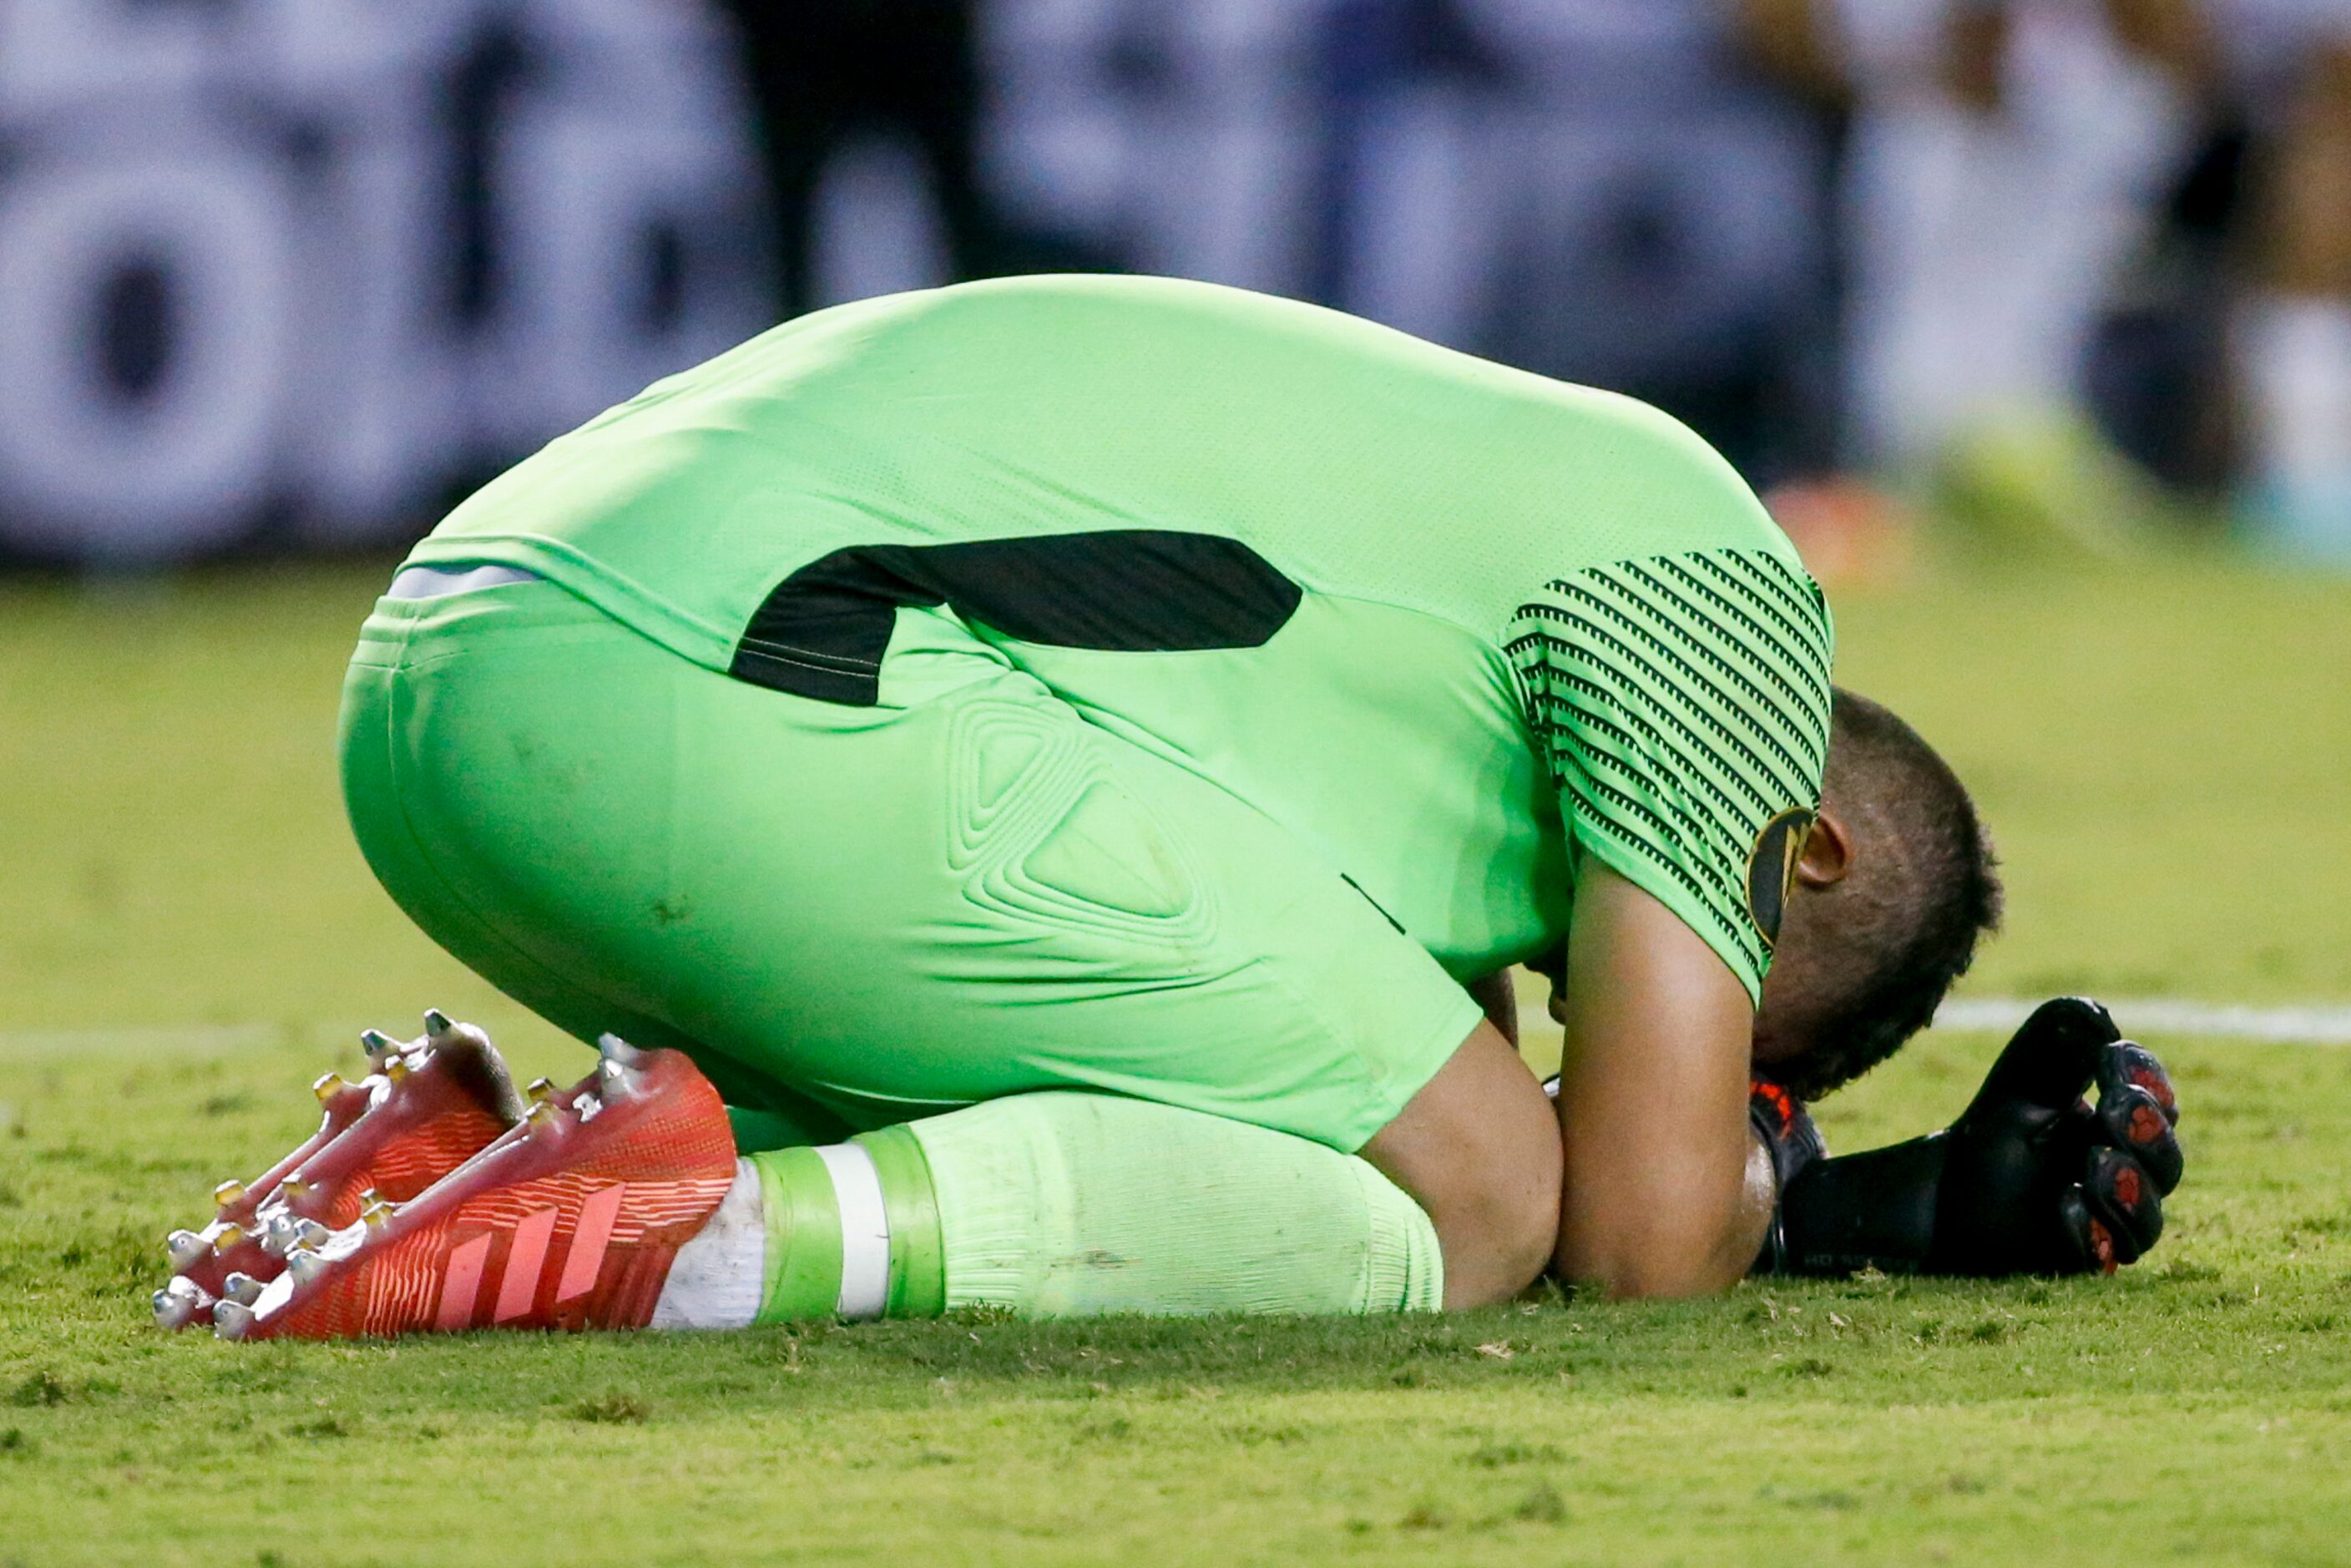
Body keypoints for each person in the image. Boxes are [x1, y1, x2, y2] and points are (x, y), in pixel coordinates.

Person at [150, 276, 2181, 1340]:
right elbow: (1624, 1236)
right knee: (1468, 1202)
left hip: (451, 670)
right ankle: (692, 1238)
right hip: (732, 679)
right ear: (1799, 849)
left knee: (1324, 1139)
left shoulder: (1436, 684)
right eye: (1698, 1020)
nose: (1618, 1042)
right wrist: (1778, 1182)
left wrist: (1824, 1202)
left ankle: (438, 1181)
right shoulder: (1726, 601)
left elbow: (1294, 1103)